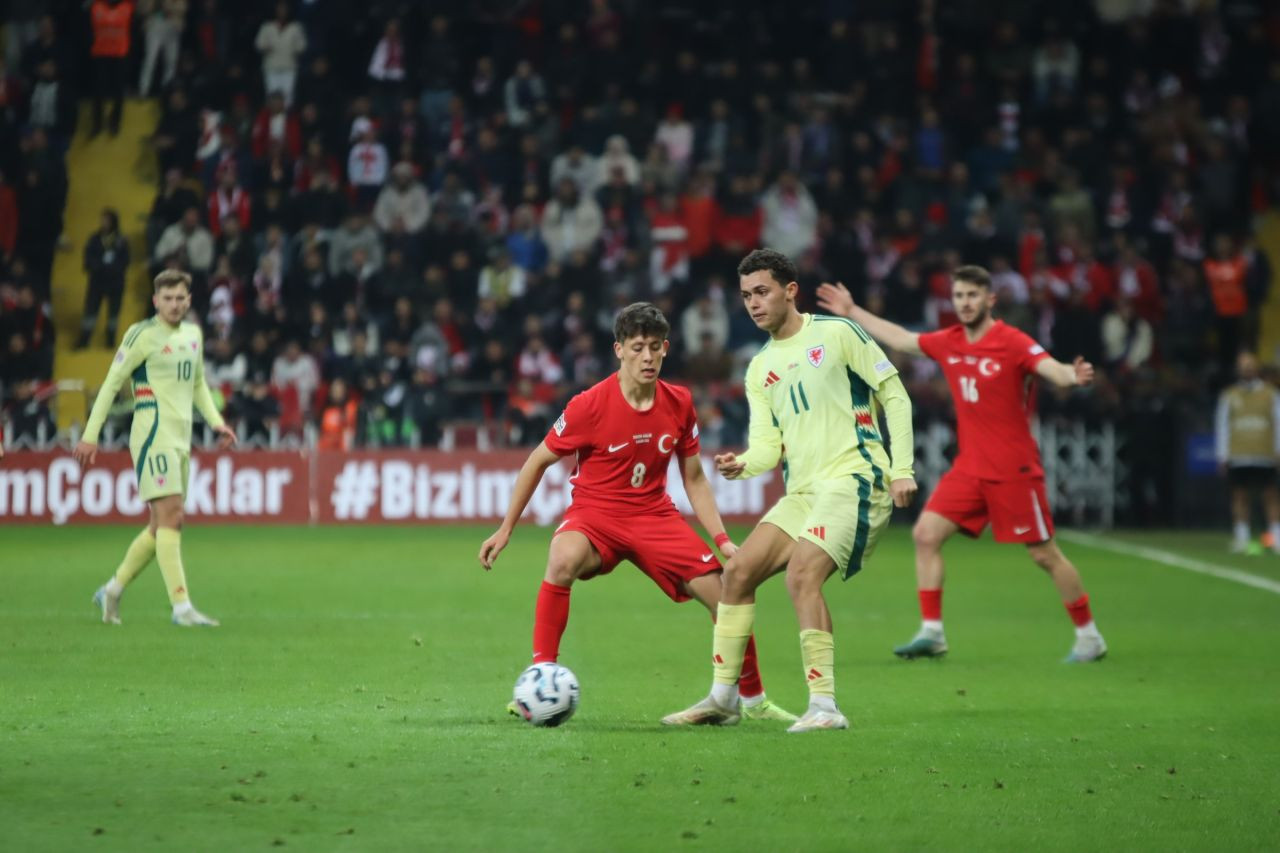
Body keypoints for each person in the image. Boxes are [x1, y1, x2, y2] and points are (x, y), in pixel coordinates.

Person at [479, 301, 795, 723]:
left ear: (666, 348)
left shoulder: (680, 402)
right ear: (619, 350)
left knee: (726, 594)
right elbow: (536, 461)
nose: (647, 357)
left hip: (654, 516)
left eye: (655, 347)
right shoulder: (587, 406)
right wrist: (506, 529)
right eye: (637, 348)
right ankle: (540, 676)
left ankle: (752, 701)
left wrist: (721, 539)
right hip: (595, 515)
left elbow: (695, 479)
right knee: (562, 559)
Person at [663, 248, 917, 733]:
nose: (753, 304)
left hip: (855, 479)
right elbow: (767, 448)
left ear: (790, 291)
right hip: (804, 492)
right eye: (745, 296)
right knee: (736, 573)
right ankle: (724, 698)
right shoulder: (759, 368)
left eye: (761, 292)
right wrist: (743, 463)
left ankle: (824, 707)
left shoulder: (837, 334)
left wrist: (901, 467)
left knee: (801, 575)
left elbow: (894, 393)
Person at [815, 265, 1107, 663]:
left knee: (1044, 554)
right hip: (970, 469)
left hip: (1013, 469)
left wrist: (1072, 376)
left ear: (990, 300)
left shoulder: (1012, 341)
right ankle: (932, 632)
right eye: (958, 296)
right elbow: (902, 338)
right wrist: (852, 310)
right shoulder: (949, 341)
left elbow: (1051, 369)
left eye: (972, 296)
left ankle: (1089, 636)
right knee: (926, 535)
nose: (965, 303)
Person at [74, 270, 236, 626]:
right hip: (152, 434)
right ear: (155, 301)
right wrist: (90, 434)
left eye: (180, 298)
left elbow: (197, 384)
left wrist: (216, 421)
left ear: (189, 300)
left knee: (159, 524)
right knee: (173, 516)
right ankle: (182, 608)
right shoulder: (142, 335)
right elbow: (111, 383)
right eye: (168, 298)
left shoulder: (193, 335)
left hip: (181, 437)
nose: (174, 305)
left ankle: (112, 590)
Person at [1214, 351, 1280, 554]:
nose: (1247, 369)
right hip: (1238, 454)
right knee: (1239, 496)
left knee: (1270, 495)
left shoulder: (1271, 394)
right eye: (1243, 366)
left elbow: (1278, 423)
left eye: (1250, 365)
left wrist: (1278, 450)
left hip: (1264, 453)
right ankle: (1242, 538)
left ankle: (1276, 538)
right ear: (1238, 369)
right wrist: (1222, 455)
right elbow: (1222, 426)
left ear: (1257, 368)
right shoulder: (1229, 395)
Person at [77, 208, 130, 348]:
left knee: (113, 314)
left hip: (115, 282)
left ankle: (110, 341)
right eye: (102, 219)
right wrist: (100, 267)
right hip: (97, 281)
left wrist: (111, 269)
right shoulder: (94, 239)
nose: (103, 222)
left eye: (106, 220)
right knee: (90, 311)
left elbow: (125, 261)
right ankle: (84, 339)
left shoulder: (121, 240)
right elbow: (88, 259)